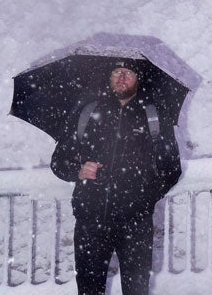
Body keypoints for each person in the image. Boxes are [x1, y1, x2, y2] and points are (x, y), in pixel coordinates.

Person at [51, 61, 182, 295]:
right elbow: (59, 161)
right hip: (90, 219)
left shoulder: (153, 115)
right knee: (89, 290)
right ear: (109, 77)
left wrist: (144, 197)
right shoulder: (88, 112)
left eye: (128, 73)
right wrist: (78, 170)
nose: (121, 78)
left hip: (135, 223)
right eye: (116, 73)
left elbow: (172, 169)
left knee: (136, 290)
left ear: (138, 79)